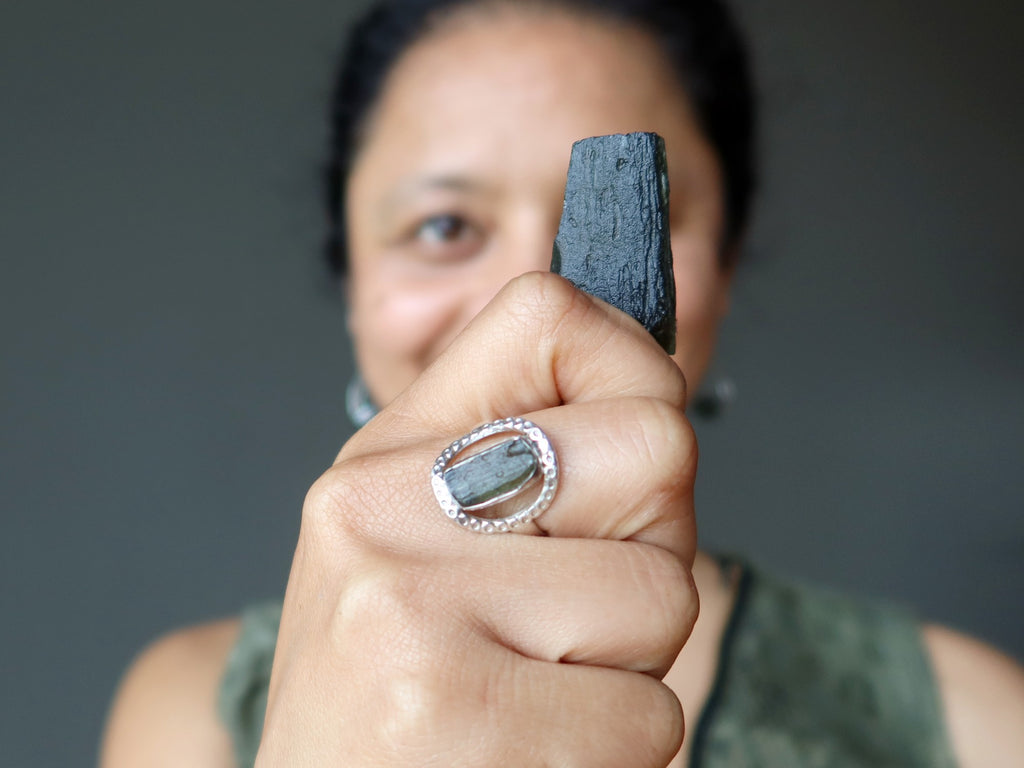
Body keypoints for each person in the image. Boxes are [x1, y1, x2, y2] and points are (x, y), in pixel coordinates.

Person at [99, 0, 1024, 765]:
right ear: (353, 279)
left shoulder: (976, 722)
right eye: (442, 225)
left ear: (726, 264)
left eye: (617, 210)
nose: (527, 304)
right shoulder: (190, 715)